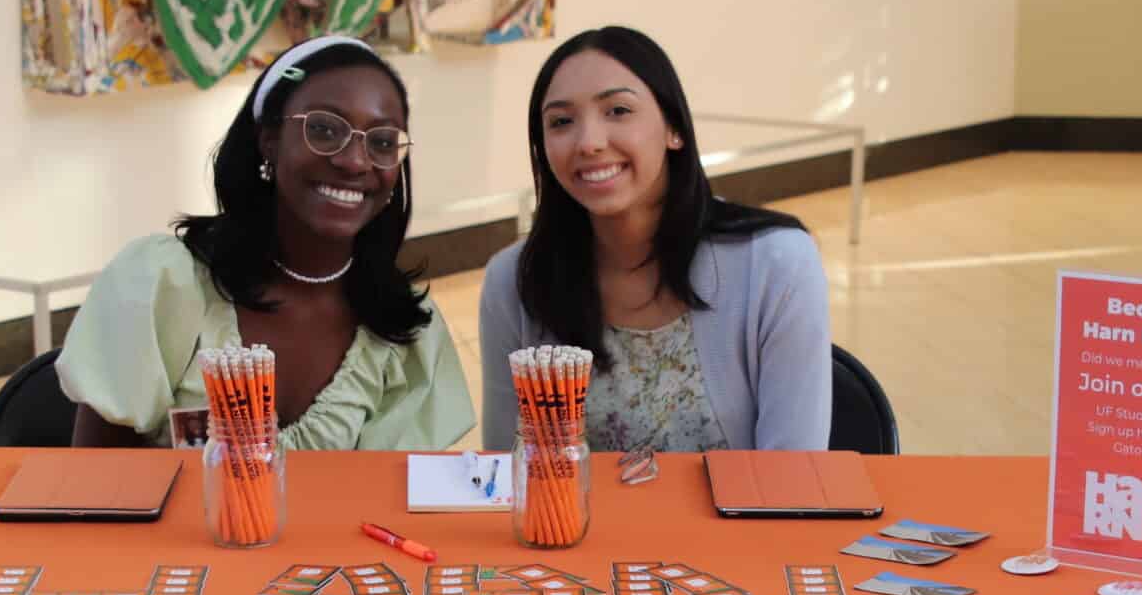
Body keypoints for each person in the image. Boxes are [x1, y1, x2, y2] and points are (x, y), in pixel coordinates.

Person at [60, 34, 474, 450]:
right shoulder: (161, 285)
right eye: (325, 130)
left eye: (382, 141)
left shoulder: (405, 329)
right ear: (269, 141)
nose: (354, 160)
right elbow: (93, 484)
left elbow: (396, 502)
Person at [478, 26, 830, 452]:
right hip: (578, 523)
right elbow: (506, 473)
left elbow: (791, 479)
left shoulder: (777, 263)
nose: (589, 142)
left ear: (674, 129)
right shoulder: (514, 281)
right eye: (562, 121)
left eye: (618, 111)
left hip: (740, 521)